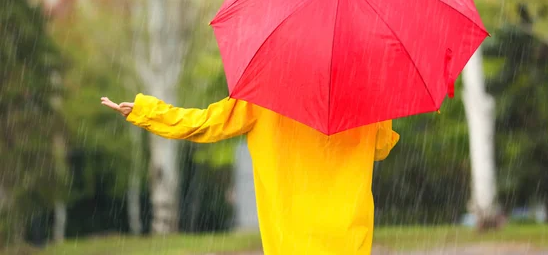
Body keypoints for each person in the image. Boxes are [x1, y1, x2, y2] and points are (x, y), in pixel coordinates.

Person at [101, 93, 399, 255]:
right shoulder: (368, 92)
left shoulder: (265, 95)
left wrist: (145, 112)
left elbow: (205, 124)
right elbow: (381, 149)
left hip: (290, 244)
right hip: (349, 242)